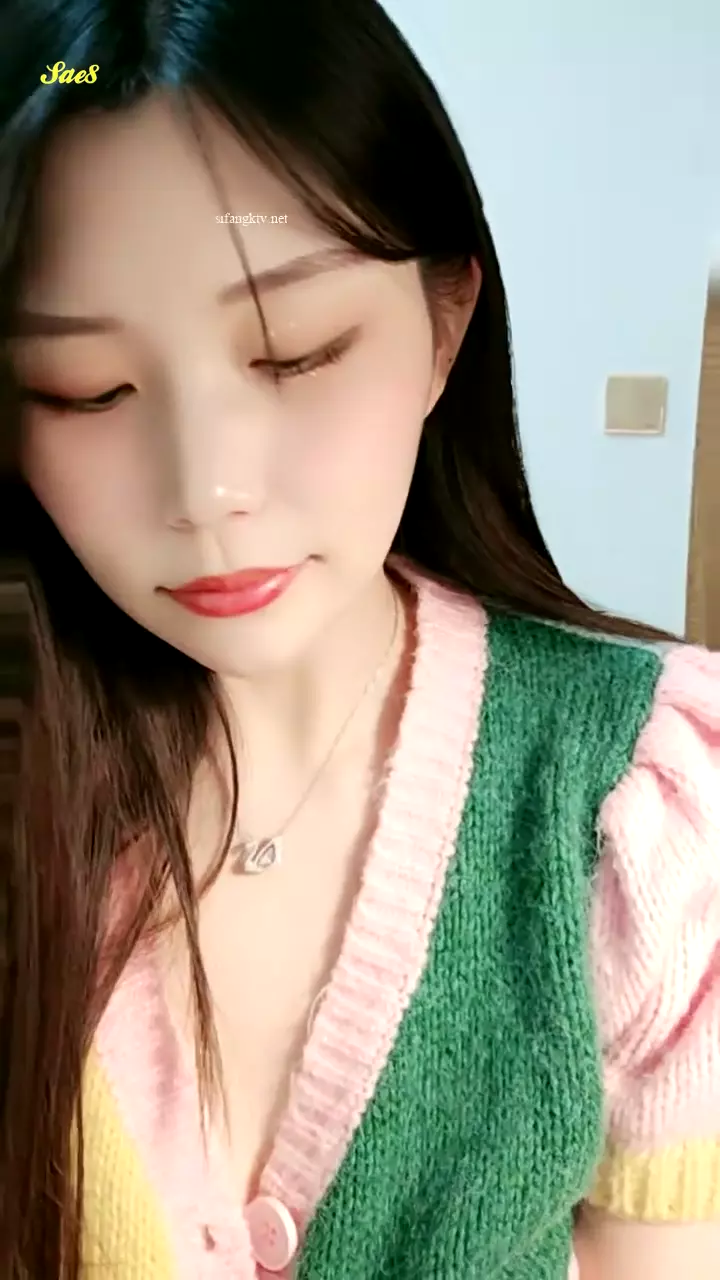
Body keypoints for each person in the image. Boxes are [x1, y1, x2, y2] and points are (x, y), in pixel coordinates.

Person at [0, 2, 718, 1277]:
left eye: (294, 353)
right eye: (86, 389)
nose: (207, 489)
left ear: (444, 326)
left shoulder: (643, 816)